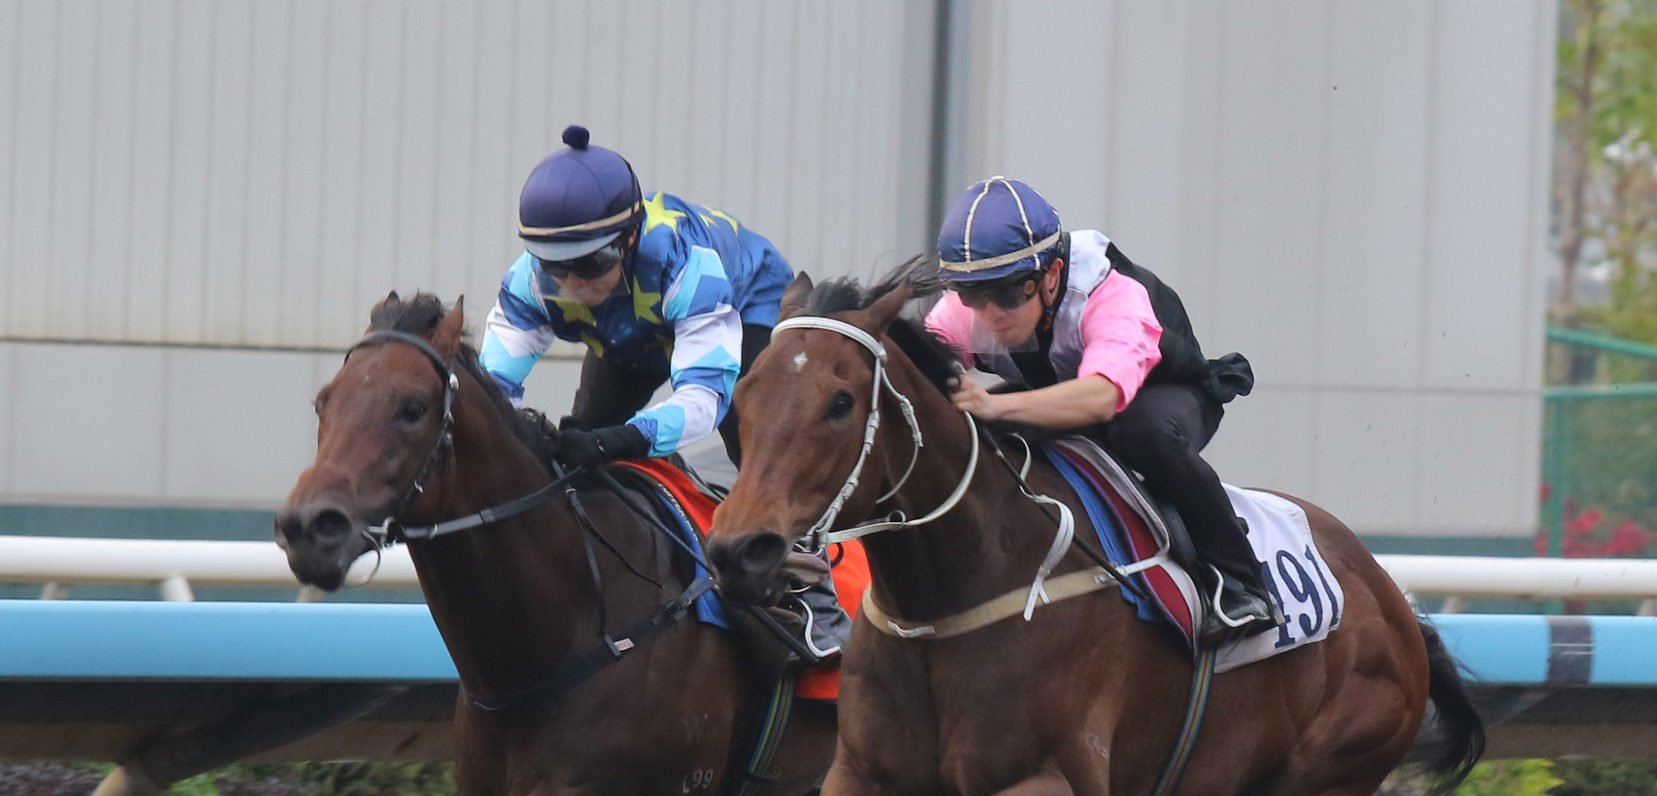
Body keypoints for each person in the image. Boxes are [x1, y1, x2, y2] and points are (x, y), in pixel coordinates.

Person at [479, 125, 846, 664]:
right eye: (558, 269)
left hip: (744, 312)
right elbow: (493, 392)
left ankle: (819, 606)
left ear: (629, 240)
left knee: (759, 463)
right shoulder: (529, 281)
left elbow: (702, 402)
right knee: (577, 448)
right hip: (633, 332)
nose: (576, 285)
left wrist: (620, 441)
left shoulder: (686, 265)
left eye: (592, 264)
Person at [925, 176, 1281, 642]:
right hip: (1070, 386)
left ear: (1051, 275)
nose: (991, 314)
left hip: (1163, 395)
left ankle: (1241, 581)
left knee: (1137, 430)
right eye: (973, 295)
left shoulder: (1111, 294)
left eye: (1010, 293)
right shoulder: (964, 313)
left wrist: (993, 407)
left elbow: (1101, 397)